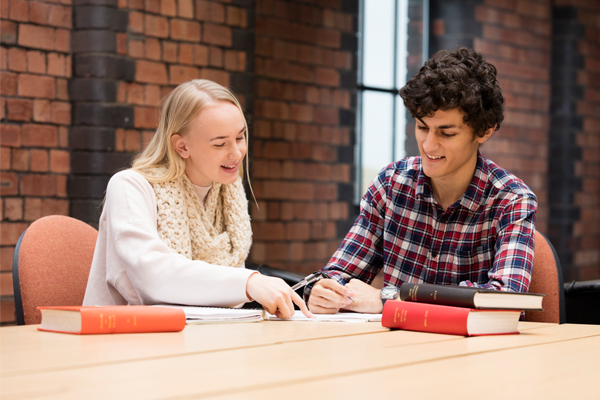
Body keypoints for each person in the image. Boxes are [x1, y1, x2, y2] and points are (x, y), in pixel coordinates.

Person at [307, 47, 537, 314]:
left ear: (484, 131)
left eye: (446, 133)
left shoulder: (511, 199)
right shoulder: (391, 184)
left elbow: (505, 301)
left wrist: (389, 299)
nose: (429, 145)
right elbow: (339, 274)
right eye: (422, 127)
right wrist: (326, 290)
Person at [83, 79, 312, 319]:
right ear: (182, 146)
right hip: (124, 339)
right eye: (220, 143)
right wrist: (247, 283)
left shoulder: (227, 190)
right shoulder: (130, 187)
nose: (236, 153)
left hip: (204, 336)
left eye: (240, 137)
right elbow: (153, 277)